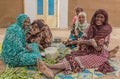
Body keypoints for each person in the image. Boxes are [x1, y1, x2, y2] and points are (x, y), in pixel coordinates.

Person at [37, 9, 119, 78]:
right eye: (98, 17)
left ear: (105, 19)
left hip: (100, 55)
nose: (99, 19)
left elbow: (99, 48)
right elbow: (82, 40)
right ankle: (53, 73)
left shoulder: (106, 30)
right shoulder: (90, 27)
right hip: (87, 50)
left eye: (102, 17)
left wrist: (92, 43)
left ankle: (49, 66)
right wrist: (88, 42)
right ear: (94, 17)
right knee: (71, 56)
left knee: (78, 60)